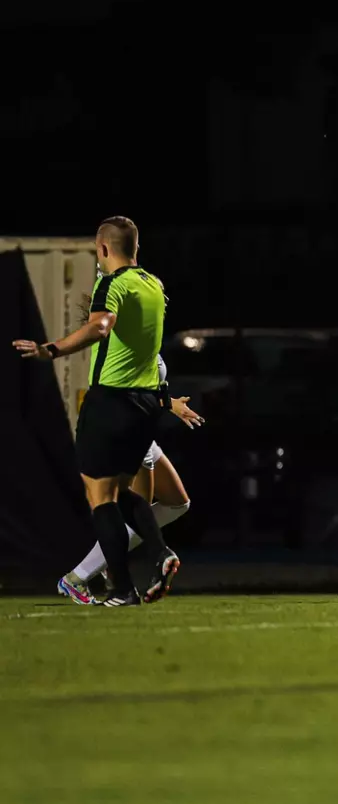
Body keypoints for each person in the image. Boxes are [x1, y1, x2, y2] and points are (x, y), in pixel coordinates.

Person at [12, 217, 177, 607]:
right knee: (120, 493)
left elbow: (101, 327)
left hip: (112, 400)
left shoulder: (112, 283)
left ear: (103, 249)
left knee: (100, 497)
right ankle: (160, 553)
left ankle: (122, 588)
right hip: (146, 404)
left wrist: (48, 350)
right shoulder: (154, 285)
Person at [56, 354, 203, 604]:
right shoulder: (120, 339)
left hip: (143, 428)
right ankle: (78, 577)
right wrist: (167, 404)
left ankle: (109, 563)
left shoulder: (145, 333)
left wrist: (168, 401)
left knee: (178, 503)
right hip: (127, 429)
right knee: (132, 515)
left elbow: (148, 385)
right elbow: (124, 390)